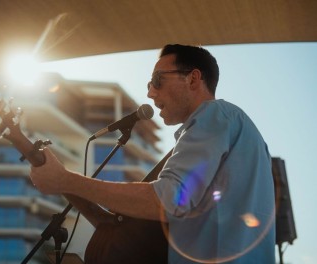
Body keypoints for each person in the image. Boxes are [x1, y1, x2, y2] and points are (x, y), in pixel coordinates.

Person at [30, 44, 276, 263]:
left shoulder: (214, 114)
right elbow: (134, 228)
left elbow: (168, 200)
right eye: (150, 84)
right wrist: (66, 184)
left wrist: (65, 180)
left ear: (193, 79)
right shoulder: (234, 130)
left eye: (158, 80)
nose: (150, 92)